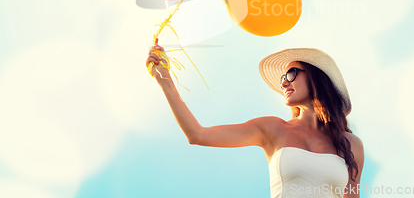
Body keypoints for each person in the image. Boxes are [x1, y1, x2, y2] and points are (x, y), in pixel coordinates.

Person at [146, 46, 364, 198]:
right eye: (282, 79)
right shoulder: (273, 128)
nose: (284, 83)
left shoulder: (351, 144)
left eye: (291, 74)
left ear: (316, 77)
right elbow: (197, 134)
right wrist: (164, 79)